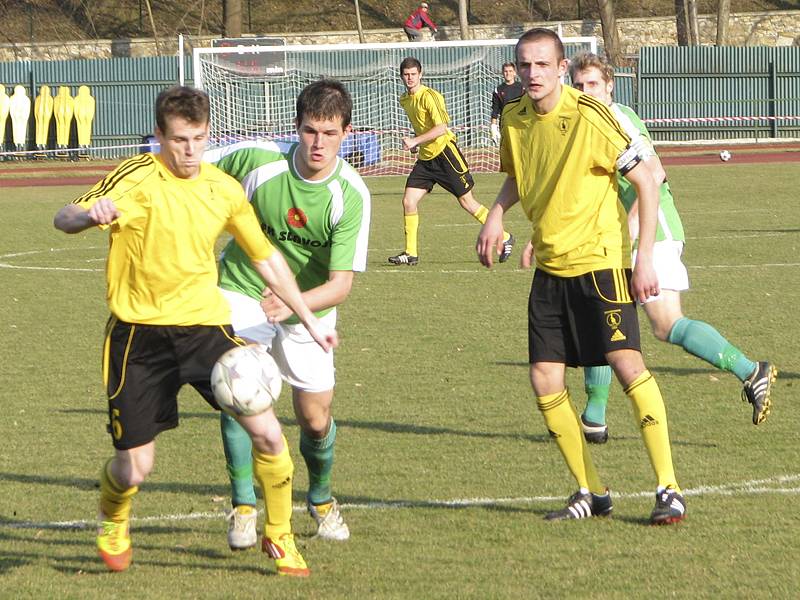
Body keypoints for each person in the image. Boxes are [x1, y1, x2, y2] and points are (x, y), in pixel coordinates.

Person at [53, 86, 337, 577]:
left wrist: (308, 318)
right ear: (160, 136)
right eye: (180, 140)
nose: (190, 151)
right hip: (139, 337)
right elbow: (63, 217)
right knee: (135, 468)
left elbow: (266, 259)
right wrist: (88, 215)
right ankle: (115, 512)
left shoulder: (222, 188)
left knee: (269, 433)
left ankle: (279, 536)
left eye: (199, 139)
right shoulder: (135, 179)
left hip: (207, 329)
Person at [476, 28, 686, 524]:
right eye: (524, 65)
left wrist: (646, 257)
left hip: (601, 262)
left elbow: (647, 179)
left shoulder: (593, 115)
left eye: (542, 64)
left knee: (625, 363)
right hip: (551, 266)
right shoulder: (513, 118)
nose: (532, 74)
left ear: (561, 66)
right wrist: (496, 213)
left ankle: (668, 488)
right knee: (544, 378)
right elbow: (518, 175)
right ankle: (591, 491)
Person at [567, 52, 778, 444]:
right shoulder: (586, 122)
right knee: (603, 316)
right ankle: (593, 419)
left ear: (609, 85)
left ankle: (751, 370)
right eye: (578, 86)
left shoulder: (620, 118)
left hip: (651, 232)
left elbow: (655, 172)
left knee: (660, 324)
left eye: (592, 84)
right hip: (621, 235)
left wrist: (632, 232)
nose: (585, 92)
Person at [204, 80, 371, 548]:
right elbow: (193, 170)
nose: (318, 143)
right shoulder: (259, 160)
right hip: (242, 289)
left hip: (308, 309)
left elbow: (340, 285)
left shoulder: (350, 194)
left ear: (347, 132)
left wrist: (293, 302)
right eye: (310, 130)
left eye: (330, 133)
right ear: (296, 127)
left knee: (315, 419)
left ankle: (320, 500)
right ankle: (242, 507)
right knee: (238, 391)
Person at [389, 56, 514, 266]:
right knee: (408, 201)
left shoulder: (430, 96)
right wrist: (418, 144)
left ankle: (505, 236)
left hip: (445, 154)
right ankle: (411, 252)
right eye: (406, 75)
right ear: (401, 76)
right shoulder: (405, 99)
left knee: (467, 202)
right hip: (426, 159)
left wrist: (414, 141)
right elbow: (423, 126)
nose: (409, 78)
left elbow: (441, 128)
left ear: (421, 74)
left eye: (413, 74)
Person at [490, 62, 524, 146]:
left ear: (515, 73)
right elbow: (495, 109)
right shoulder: (498, 90)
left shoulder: (522, 88)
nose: (508, 73)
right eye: (506, 71)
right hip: (506, 124)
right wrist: (493, 127)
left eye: (510, 71)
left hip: (521, 123)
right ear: (502, 73)